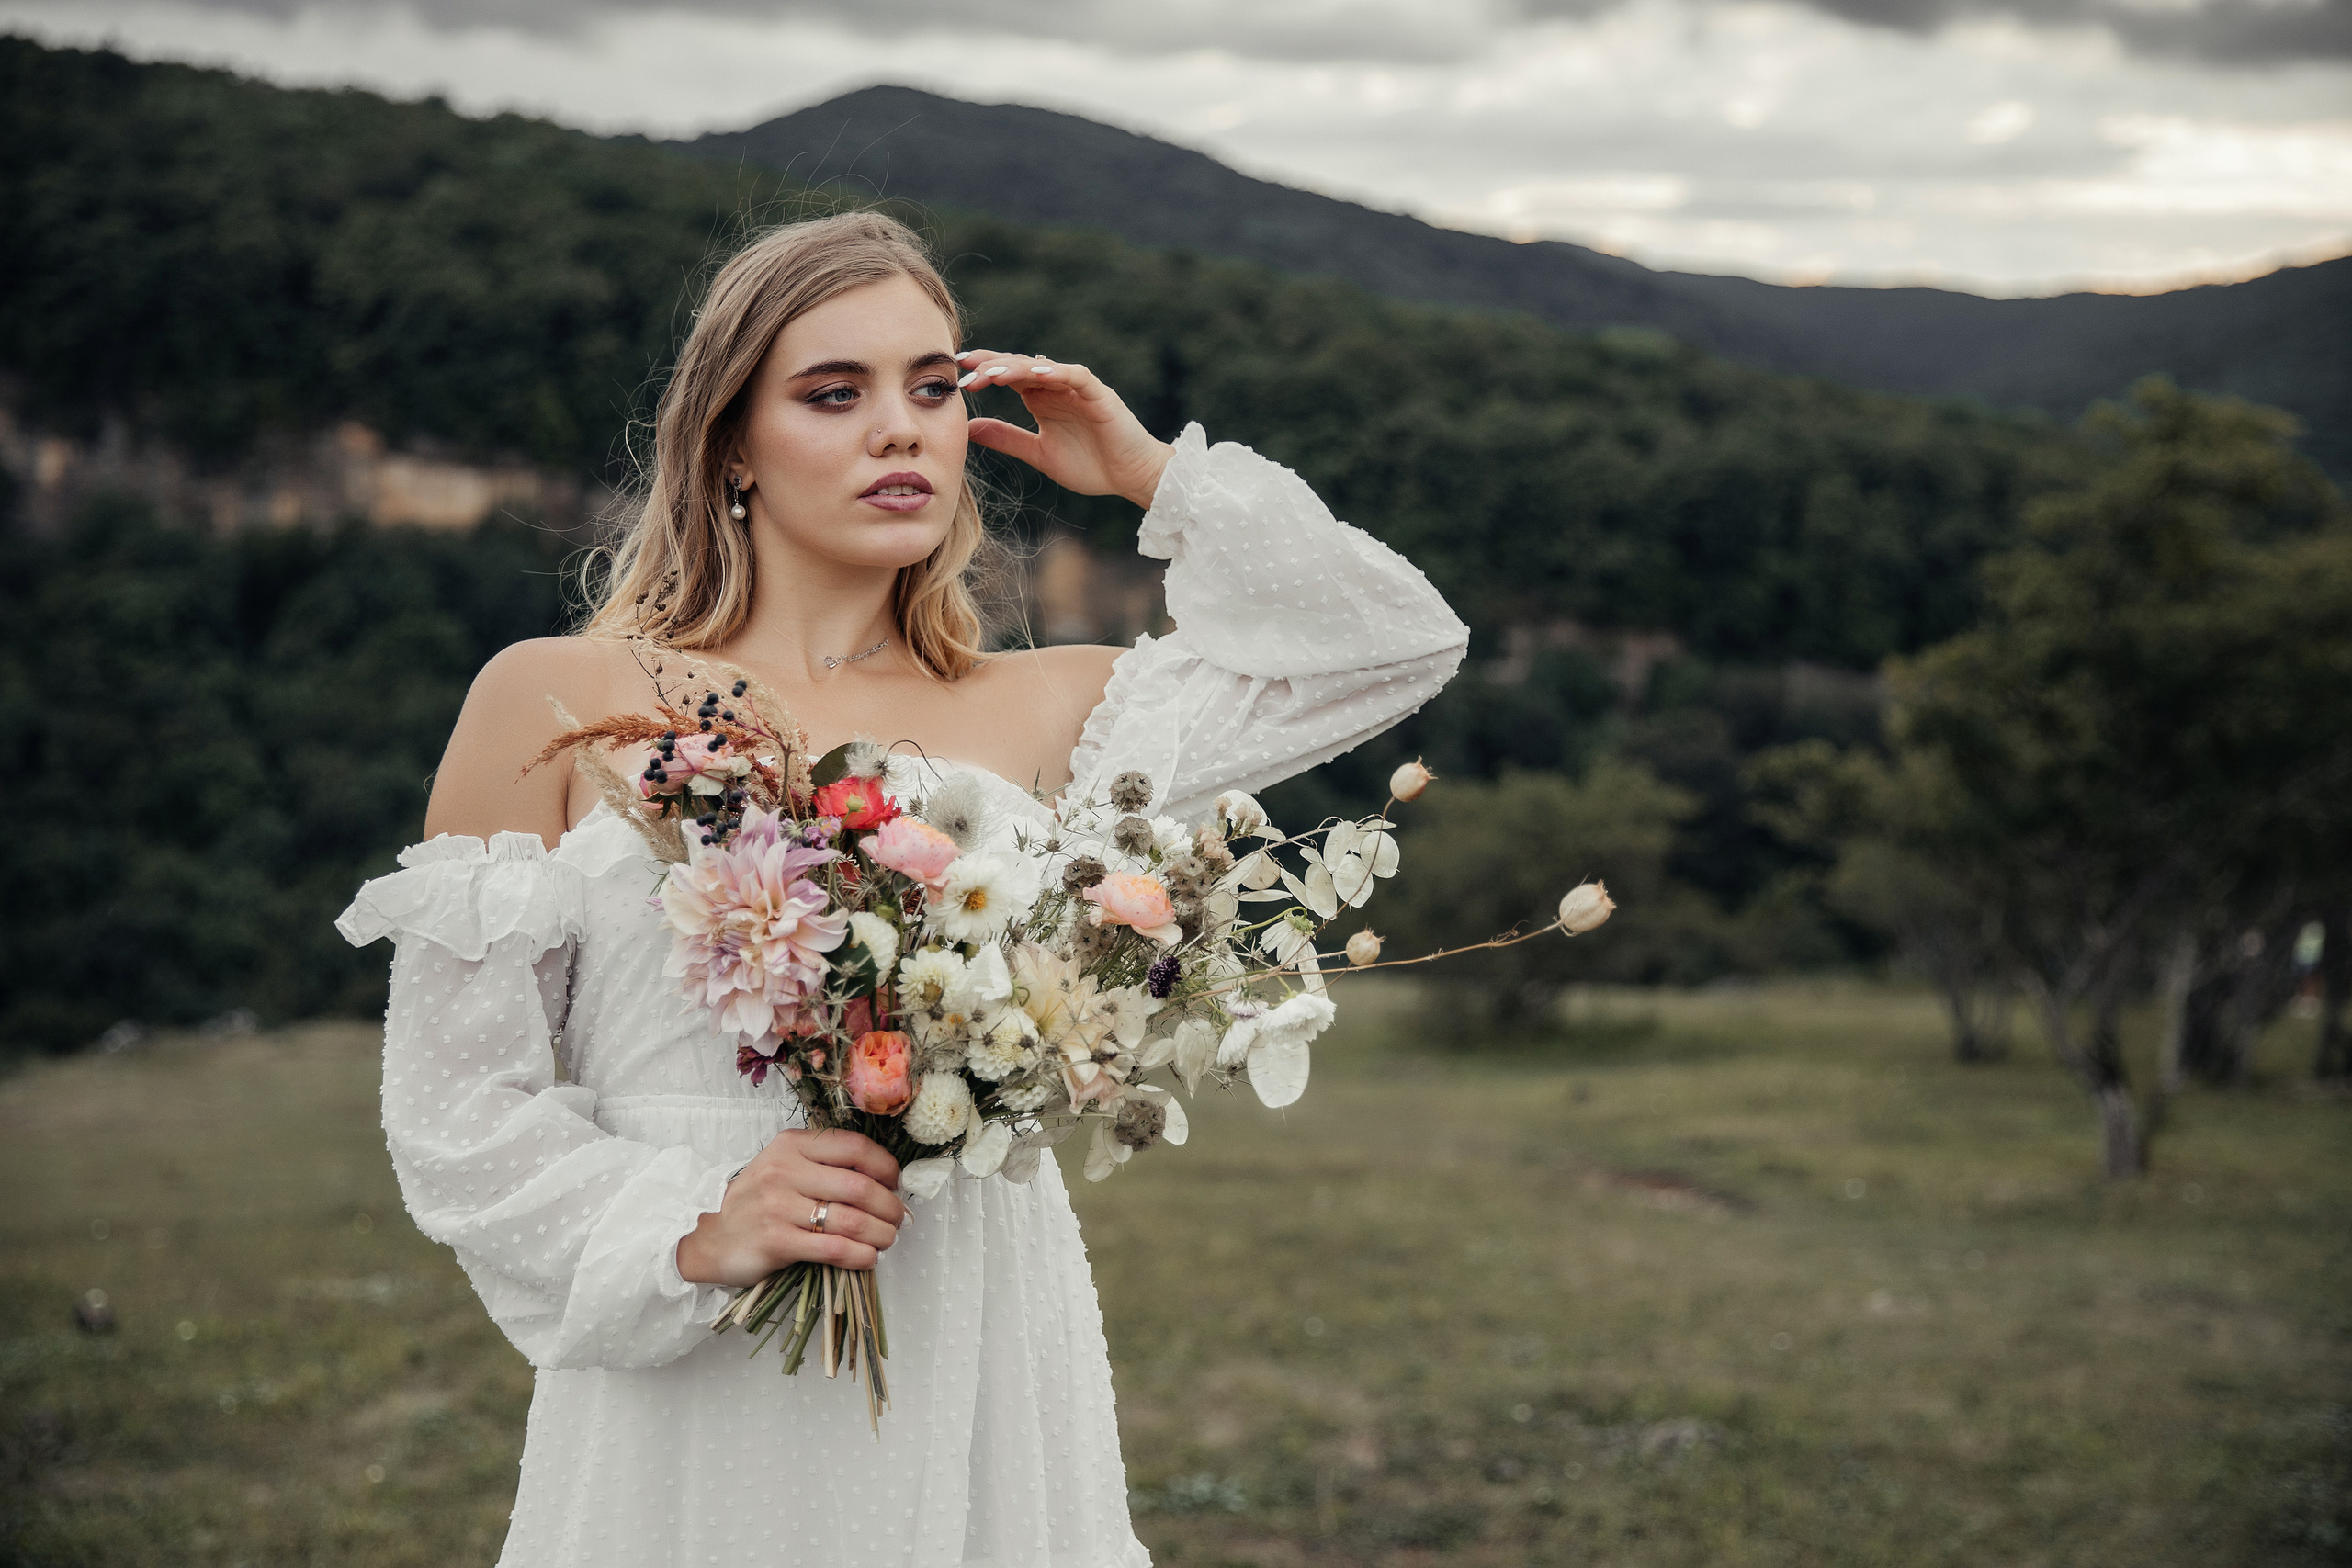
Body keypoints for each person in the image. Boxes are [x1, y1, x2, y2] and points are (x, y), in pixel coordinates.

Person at [336, 210, 1467, 1566]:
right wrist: (691, 1225)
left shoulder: (1061, 707)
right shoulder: (558, 700)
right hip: (689, 1374)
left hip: (971, 1329)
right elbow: (456, 1106)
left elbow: (1394, 645)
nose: (903, 430)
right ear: (731, 445)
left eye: (934, 388)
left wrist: (1156, 475)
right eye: (835, 394)